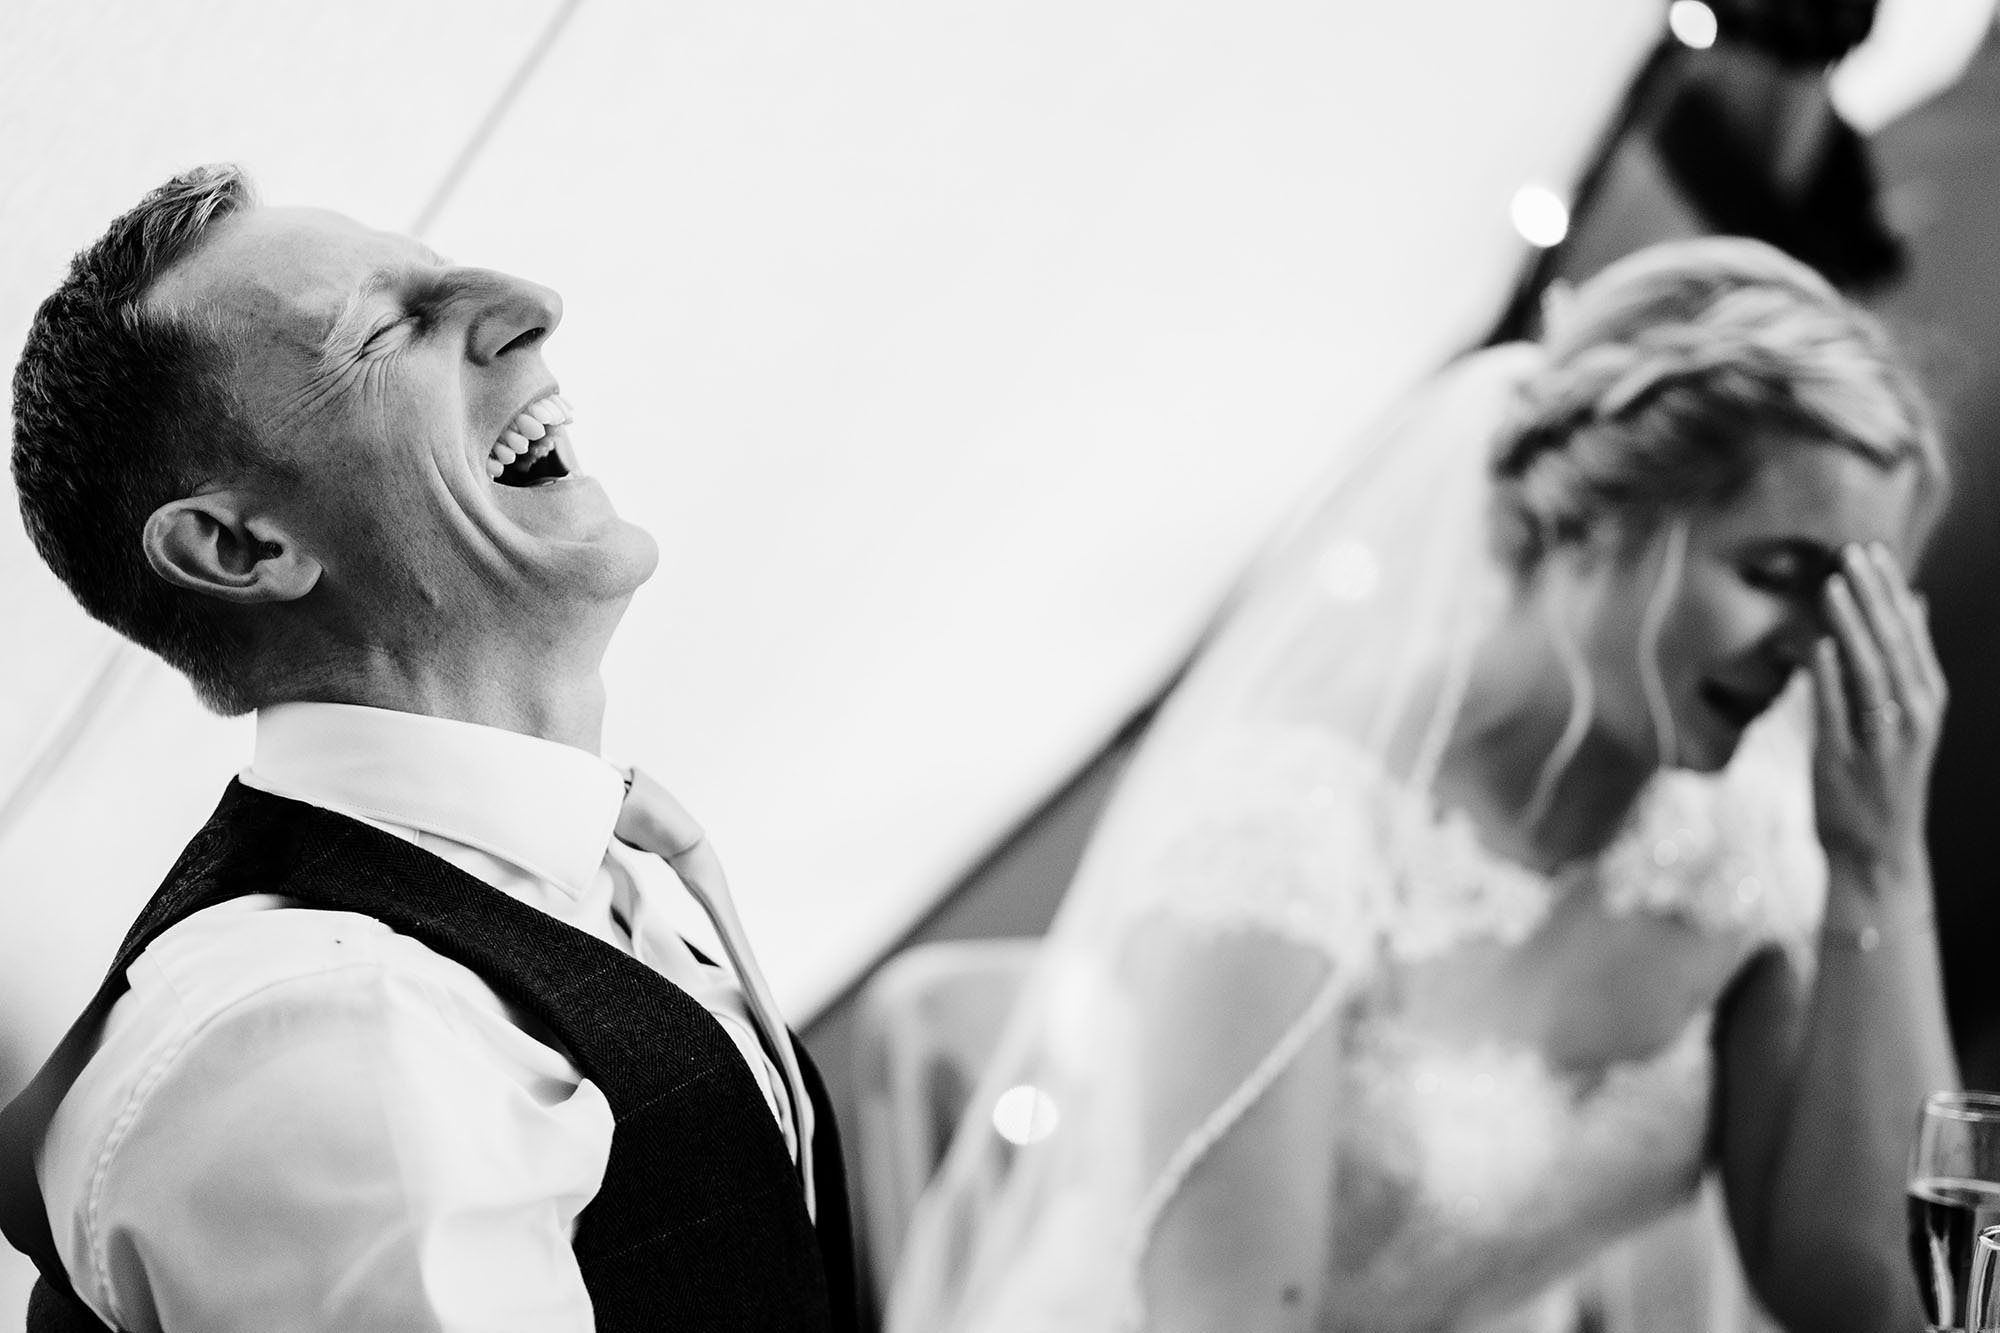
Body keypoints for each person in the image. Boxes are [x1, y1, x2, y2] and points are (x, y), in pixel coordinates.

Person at [888, 236, 1957, 1332]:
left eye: (1855, 599)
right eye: (1775, 573)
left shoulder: (1746, 851)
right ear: (1601, 515)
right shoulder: (1283, 830)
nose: (1812, 648)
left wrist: (1877, 863)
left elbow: (1883, 1302)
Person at [0, 165, 856, 1332]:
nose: (531, 305)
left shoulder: (544, 881)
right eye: (384, 328)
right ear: (241, 549)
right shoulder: (320, 1036)